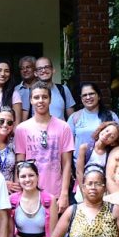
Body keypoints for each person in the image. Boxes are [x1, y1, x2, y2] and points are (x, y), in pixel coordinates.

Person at [14, 83, 74, 214]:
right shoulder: (22, 129)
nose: (40, 101)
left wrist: (64, 193)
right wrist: (19, 193)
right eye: (36, 97)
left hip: (55, 193)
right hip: (29, 192)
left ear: (50, 99)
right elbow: (19, 163)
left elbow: (67, 163)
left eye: (44, 97)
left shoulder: (63, 127)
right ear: (31, 100)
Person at [68, 82, 119, 159]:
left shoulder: (111, 116)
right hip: (80, 164)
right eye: (84, 95)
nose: (88, 97)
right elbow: (68, 146)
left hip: (105, 162)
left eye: (91, 94)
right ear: (81, 98)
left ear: (99, 96)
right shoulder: (74, 117)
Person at [76, 121, 119, 200]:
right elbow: (79, 172)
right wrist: (83, 193)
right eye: (107, 131)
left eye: (111, 136)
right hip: (84, 188)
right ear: (101, 129)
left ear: (113, 143)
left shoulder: (109, 154)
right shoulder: (85, 148)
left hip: (100, 190)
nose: (107, 135)